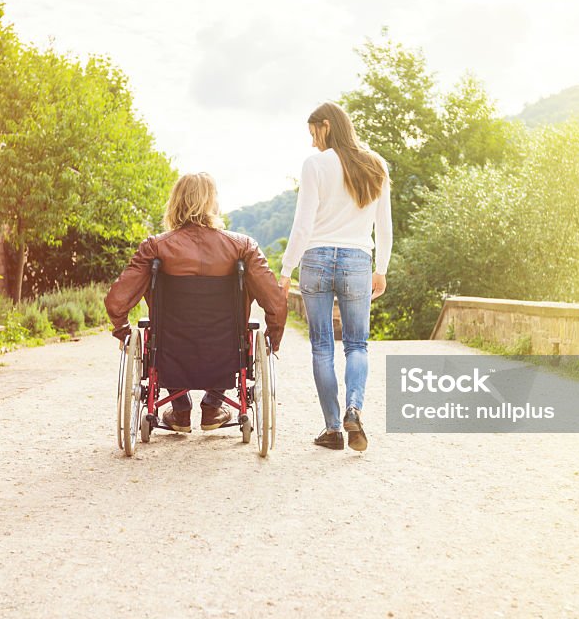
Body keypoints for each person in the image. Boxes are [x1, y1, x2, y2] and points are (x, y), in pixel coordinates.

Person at [105, 172, 286, 433]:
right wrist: (274, 337)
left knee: (162, 342)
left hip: (170, 349)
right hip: (226, 349)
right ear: (213, 203)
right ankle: (213, 405)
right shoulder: (243, 246)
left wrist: (122, 330)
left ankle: (179, 408)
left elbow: (116, 302)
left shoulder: (156, 247)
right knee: (236, 337)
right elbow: (275, 303)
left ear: (175, 203)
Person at [279, 101, 392, 452]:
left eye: (314, 133)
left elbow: (303, 224)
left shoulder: (315, 165)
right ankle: (353, 410)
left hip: (316, 258)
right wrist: (381, 268)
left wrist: (286, 269)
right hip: (358, 260)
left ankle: (332, 429)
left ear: (326, 125)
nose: (313, 143)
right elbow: (383, 224)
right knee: (357, 344)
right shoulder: (376, 164)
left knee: (323, 346)